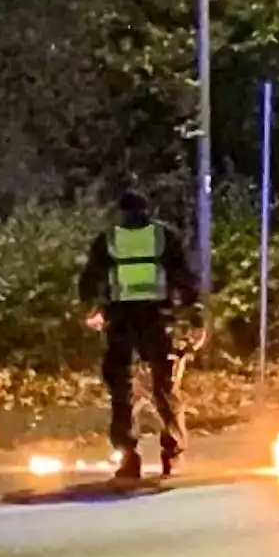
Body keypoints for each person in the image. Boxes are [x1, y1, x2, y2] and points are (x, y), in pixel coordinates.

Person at [78, 189, 206, 479]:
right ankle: (171, 453)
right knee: (164, 386)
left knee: (121, 389)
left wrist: (91, 309)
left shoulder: (109, 240)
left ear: (120, 212)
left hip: (120, 319)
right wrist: (195, 317)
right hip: (156, 318)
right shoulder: (163, 237)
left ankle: (128, 457)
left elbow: (90, 278)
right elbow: (183, 278)